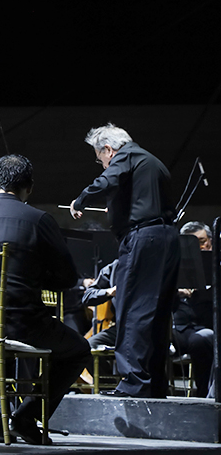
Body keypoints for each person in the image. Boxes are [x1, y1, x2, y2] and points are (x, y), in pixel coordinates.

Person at [0, 154, 91, 445]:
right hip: (20, 324)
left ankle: (2, 419)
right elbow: (68, 277)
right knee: (79, 350)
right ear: (29, 188)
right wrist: (36, 276)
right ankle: (25, 416)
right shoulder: (38, 219)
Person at [70, 123, 180, 398]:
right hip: (168, 238)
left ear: (108, 149)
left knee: (132, 309)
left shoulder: (126, 155)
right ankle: (154, 384)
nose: (103, 165)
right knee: (157, 313)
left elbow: (107, 181)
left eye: (101, 160)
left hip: (143, 239)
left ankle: (133, 383)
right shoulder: (152, 162)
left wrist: (80, 200)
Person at [172, 221, 213, 397]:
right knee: (156, 336)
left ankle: (204, 394)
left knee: (199, 341)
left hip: (205, 326)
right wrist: (176, 291)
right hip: (180, 328)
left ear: (210, 241)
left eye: (202, 242)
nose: (199, 248)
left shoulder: (216, 266)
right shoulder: (177, 265)